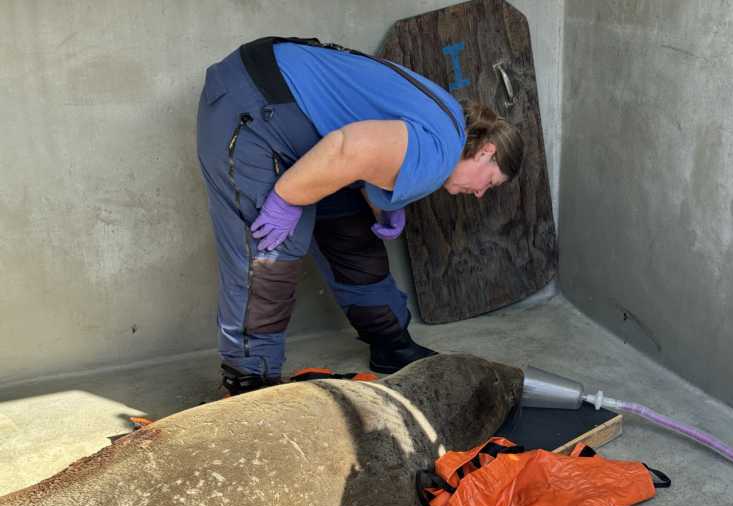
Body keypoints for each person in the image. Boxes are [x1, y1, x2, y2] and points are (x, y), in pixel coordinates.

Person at [196, 37, 524, 395]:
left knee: (350, 233)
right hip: (252, 106)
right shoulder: (438, 157)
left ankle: (391, 343)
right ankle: (248, 380)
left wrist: (384, 205)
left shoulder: (449, 124)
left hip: (299, 121)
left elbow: (368, 145)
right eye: (489, 183)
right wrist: (286, 199)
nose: (479, 194)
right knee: (270, 252)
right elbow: (351, 148)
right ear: (485, 152)